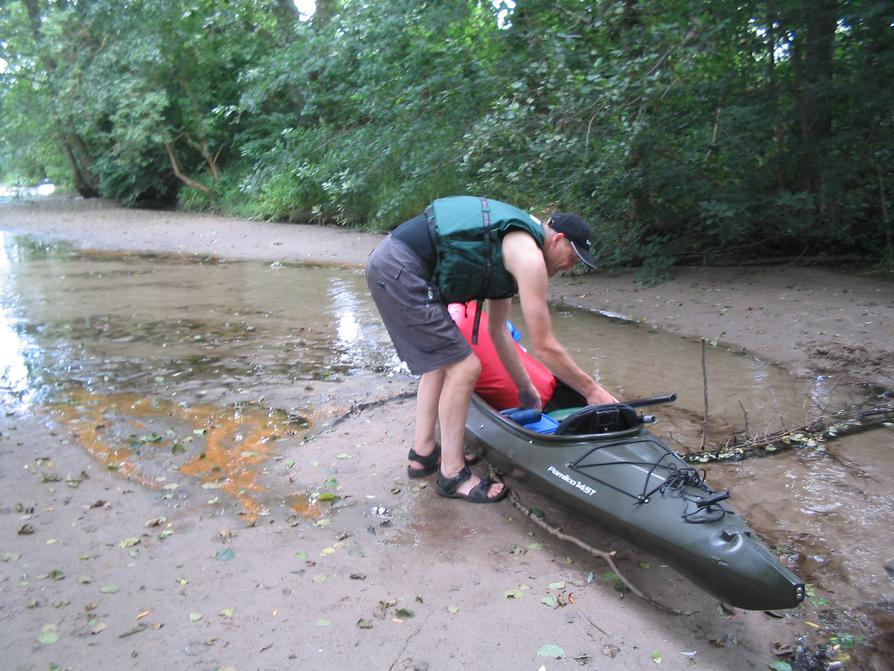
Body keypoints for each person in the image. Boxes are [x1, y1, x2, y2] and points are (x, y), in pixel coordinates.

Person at [366, 196, 616, 503]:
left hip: (395, 264)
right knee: (465, 368)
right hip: (401, 270)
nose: (570, 265)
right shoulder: (530, 257)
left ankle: (423, 454)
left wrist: (527, 391)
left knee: (441, 362)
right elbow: (544, 345)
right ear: (558, 239)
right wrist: (591, 390)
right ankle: (452, 475)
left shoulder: (509, 246)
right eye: (573, 255)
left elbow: (499, 333)